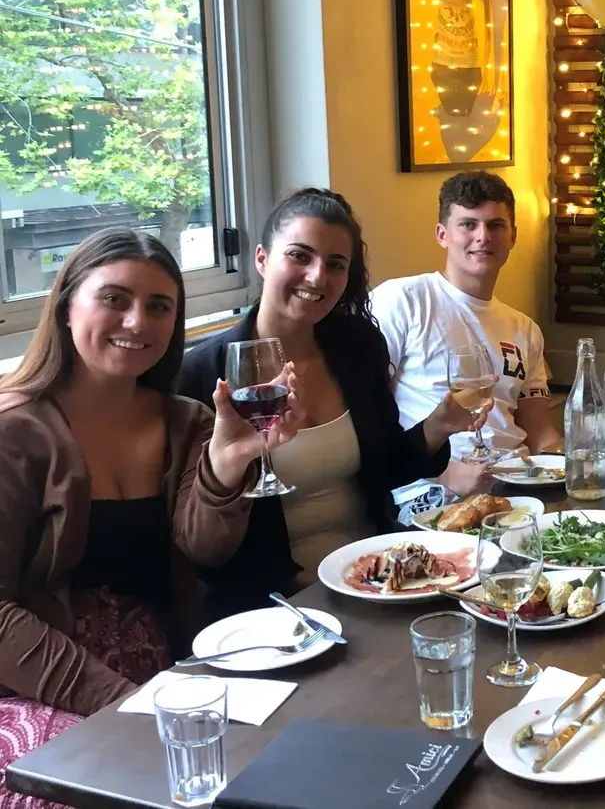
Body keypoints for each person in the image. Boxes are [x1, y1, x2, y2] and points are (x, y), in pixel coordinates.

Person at [0, 230, 282, 809]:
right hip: (34, 687)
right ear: (66, 305)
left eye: (159, 306)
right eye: (114, 298)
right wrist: (124, 698)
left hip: (168, 676)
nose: (137, 321)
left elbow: (206, 551)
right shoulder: (14, 433)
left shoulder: (187, 421)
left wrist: (228, 466)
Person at [177, 188, 481, 619]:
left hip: (377, 574)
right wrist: (318, 586)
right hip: (276, 602)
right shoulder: (205, 375)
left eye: (335, 264)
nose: (318, 277)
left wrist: (439, 425)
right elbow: (209, 548)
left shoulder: (356, 347)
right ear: (262, 259)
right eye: (300, 256)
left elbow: (385, 466)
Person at [371, 172, 558, 489]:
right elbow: (368, 421)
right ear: (442, 234)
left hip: (518, 484)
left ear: (513, 236)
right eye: (468, 224)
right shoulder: (402, 300)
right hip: (431, 489)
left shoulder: (525, 329)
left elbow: (540, 432)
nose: (483, 236)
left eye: (495, 225)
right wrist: (442, 473)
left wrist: (570, 465)